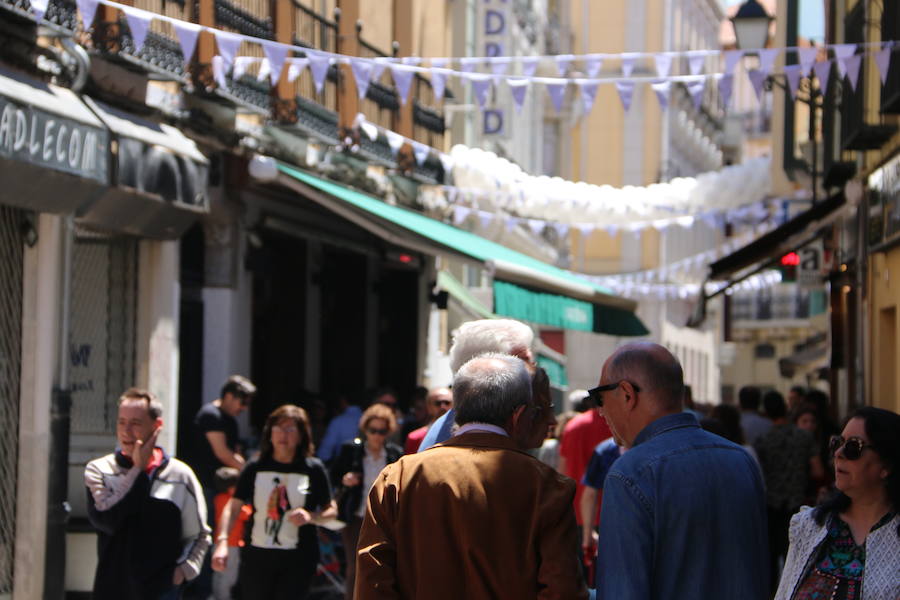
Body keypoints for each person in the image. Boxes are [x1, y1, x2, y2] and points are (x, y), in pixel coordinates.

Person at [355, 354, 588, 600]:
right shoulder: (547, 486)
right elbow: (561, 589)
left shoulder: (398, 477)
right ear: (519, 415)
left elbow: (373, 582)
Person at [591, 342, 768, 600]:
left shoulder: (630, 473)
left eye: (599, 397)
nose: (599, 410)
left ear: (627, 394)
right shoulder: (740, 459)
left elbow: (622, 591)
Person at [85, 388, 210, 600]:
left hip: (162, 590)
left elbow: (199, 535)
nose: (126, 431)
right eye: (121, 422)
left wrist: (182, 572)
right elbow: (107, 520)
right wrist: (137, 471)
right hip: (113, 589)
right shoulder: (99, 470)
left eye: (135, 423)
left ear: (156, 426)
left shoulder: (180, 475)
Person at [774, 407, 900, 600]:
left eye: (853, 446)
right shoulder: (809, 525)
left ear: (887, 465)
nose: (839, 453)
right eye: (837, 443)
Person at [212, 405, 336, 600]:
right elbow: (233, 507)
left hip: (299, 557)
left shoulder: (313, 468)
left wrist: (311, 517)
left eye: (290, 429)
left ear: (302, 435)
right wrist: (222, 542)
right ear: (269, 433)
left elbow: (331, 510)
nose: (283, 435)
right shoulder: (255, 467)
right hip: (257, 555)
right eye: (278, 428)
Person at [418, 318, 554, 452]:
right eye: (524, 362)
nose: (533, 369)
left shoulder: (458, 427)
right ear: (489, 370)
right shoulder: (463, 436)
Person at [755, 390, 826, 593]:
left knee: (770, 558)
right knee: (795, 558)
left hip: (770, 505)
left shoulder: (763, 439)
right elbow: (817, 470)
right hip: (798, 503)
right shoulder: (803, 436)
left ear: (766, 413)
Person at [330, 404, 403, 600]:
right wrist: (345, 479)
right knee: (355, 566)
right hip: (355, 516)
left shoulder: (395, 454)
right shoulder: (351, 450)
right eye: (373, 430)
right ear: (365, 429)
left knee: (384, 565)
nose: (377, 435)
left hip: (384, 518)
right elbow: (332, 474)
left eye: (382, 431)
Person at [191, 375, 255, 515]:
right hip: (208, 484)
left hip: (225, 486)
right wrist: (249, 471)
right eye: (242, 402)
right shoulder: (211, 415)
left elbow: (235, 452)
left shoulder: (231, 421)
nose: (244, 408)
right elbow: (222, 453)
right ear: (229, 396)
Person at [559, 388, 612, 537]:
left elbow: (562, 470)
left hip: (576, 511)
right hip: (610, 512)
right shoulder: (614, 425)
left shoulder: (573, 426)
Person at [579, 437, 625, 567]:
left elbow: (590, 495)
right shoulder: (660, 445)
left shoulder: (605, 450)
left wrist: (588, 535)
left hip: (613, 531)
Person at [211, 467, 252, 600]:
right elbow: (247, 514)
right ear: (231, 488)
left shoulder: (218, 498)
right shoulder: (230, 502)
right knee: (229, 577)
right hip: (231, 545)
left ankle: (215, 596)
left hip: (218, 543)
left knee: (218, 575)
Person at [317, 393, 363, 463]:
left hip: (344, 465)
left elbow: (326, 451)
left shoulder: (338, 422)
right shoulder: (367, 418)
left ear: (343, 401)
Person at [404, 387, 452, 454]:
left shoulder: (462, 436)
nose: (443, 407)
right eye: (438, 403)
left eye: (447, 403)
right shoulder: (415, 438)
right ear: (428, 407)